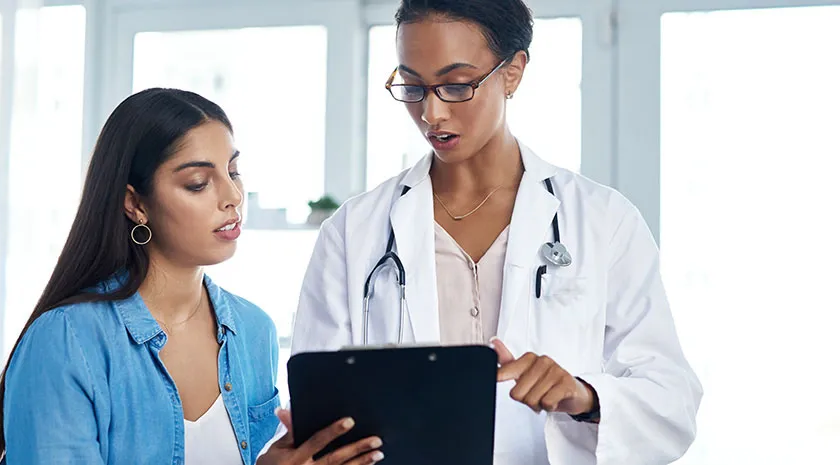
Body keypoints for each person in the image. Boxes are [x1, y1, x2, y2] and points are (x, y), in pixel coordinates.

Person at [283, 1, 703, 464]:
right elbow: (320, 400)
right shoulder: (353, 231)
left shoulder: (603, 220)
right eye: (413, 86)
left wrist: (584, 396)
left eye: (456, 85)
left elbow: (672, 400)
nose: (432, 113)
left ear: (513, 72)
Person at [0, 88, 384, 465]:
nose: (232, 196)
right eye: (198, 183)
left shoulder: (253, 331)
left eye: (233, 171)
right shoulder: (67, 341)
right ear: (135, 203)